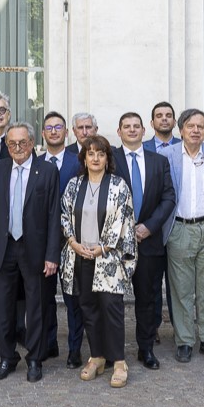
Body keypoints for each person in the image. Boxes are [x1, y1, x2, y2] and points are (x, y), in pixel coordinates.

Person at [0, 122, 61, 383]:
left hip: (35, 249)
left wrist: (52, 254)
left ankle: (35, 358)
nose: (17, 148)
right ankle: (7, 356)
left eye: (23, 143)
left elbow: (54, 215)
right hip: (3, 249)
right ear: (6, 145)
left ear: (32, 143)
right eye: (12, 143)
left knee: (36, 307)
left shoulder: (47, 171)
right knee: (3, 307)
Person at [60, 135, 137, 388]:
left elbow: (125, 220)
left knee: (111, 309)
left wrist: (103, 247)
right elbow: (64, 215)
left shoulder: (118, 186)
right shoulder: (74, 185)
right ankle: (97, 357)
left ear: (107, 159)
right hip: (80, 255)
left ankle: (119, 362)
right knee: (88, 308)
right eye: (90, 154)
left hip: (108, 259)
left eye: (100, 154)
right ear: (84, 158)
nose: (95, 158)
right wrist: (73, 242)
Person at [161, 109, 204, 363]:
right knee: (181, 290)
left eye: (200, 126)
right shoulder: (167, 156)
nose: (196, 130)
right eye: (191, 126)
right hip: (179, 228)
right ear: (181, 130)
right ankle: (185, 341)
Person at [112, 112, 175, 370]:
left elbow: (169, 197)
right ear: (119, 132)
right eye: (126, 126)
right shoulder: (109, 159)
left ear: (143, 130)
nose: (132, 130)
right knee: (112, 300)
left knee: (148, 299)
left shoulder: (159, 161)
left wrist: (149, 227)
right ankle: (113, 351)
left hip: (149, 241)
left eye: (136, 126)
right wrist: (124, 229)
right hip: (115, 244)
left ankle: (146, 348)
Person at [41, 111, 83, 368]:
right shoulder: (35, 162)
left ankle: (75, 349)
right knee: (44, 297)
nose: (54, 131)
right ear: (43, 133)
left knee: (73, 298)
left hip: (72, 241)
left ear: (66, 133)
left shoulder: (79, 161)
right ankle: (49, 343)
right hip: (42, 241)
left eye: (59, 127)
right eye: (49, 128)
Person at [144, 101, 180, 337]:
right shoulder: (143, 148)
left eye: (168, 115)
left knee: (178, 284)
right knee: (153, 282)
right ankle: (153, 327)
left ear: (174, 121)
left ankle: (181, 328)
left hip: (178, 223)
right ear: (152, 122)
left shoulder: (185, 146)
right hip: (151, 227)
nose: (164, 119)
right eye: (159, 115)